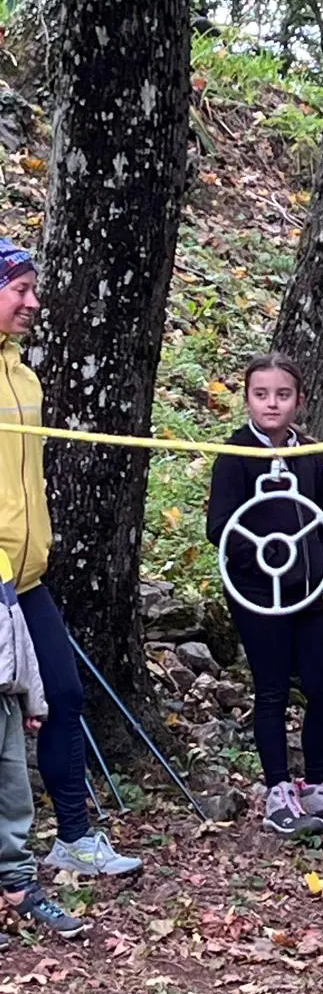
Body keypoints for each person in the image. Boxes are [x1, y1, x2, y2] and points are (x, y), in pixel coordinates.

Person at [0, 239, 141, 876]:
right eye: (20, 290)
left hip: (26, 579)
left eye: (33, 289)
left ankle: (74, 839)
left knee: (63, 694)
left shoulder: (24, 377)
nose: (33, 301)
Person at [206, 353, 323, 840]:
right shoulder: (235, 455)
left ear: (299, 401)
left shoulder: (307, 455)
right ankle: (277, 791)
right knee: (273, 689)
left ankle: (319, 788)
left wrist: (321, 565)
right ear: (246, 399)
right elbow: (220, 528)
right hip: (257, 593)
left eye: (282, 395)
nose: (271, 404)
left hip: (305, 592)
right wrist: (266, 558)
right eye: (261, 395)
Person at [0, 547, 87, 943]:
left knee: (15, 796)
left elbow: (18, 636)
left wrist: (34, 698)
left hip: (6, 699)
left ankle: (19, 888)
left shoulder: (3, 563)